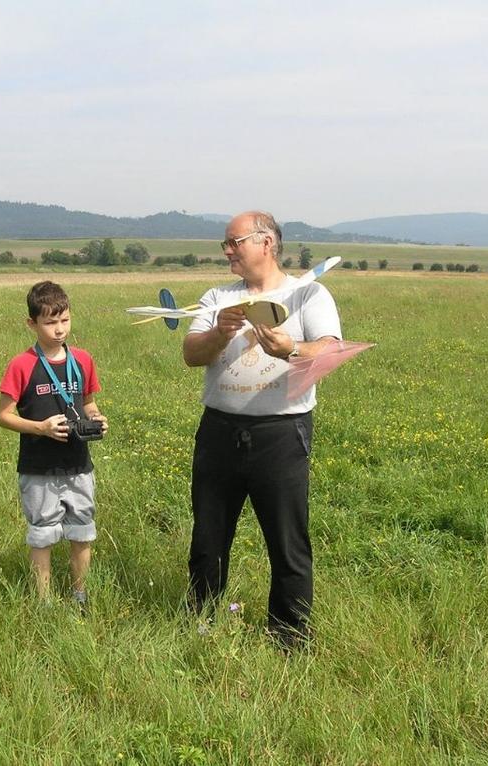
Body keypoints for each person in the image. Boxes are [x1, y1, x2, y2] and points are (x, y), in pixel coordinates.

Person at [183, 210, 342, 648]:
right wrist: (219, 333)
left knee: (287, 539)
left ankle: (289, 635)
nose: (227, 251)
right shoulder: (217, 296)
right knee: (208, 534)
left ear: (266, 243)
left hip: (282, 433)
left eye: (235, 242)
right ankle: (201, 621)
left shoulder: (309, 295)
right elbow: (191, 354)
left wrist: (291, 347)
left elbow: (329, 353)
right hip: (218, 430)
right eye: (226, 244)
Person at [0, 281, 108, 607]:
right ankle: (44, 601)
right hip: (39, 468)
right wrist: (40, 428)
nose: (59, 330)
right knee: (42, 535)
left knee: (82, 532)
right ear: (31, 323)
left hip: (78, 465)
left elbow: (88, 403)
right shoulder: (22, 365)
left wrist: (98, 418)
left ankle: (80, 595)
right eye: (50, 322)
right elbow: (4, 416)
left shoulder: (83, 360)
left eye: (65, 320)